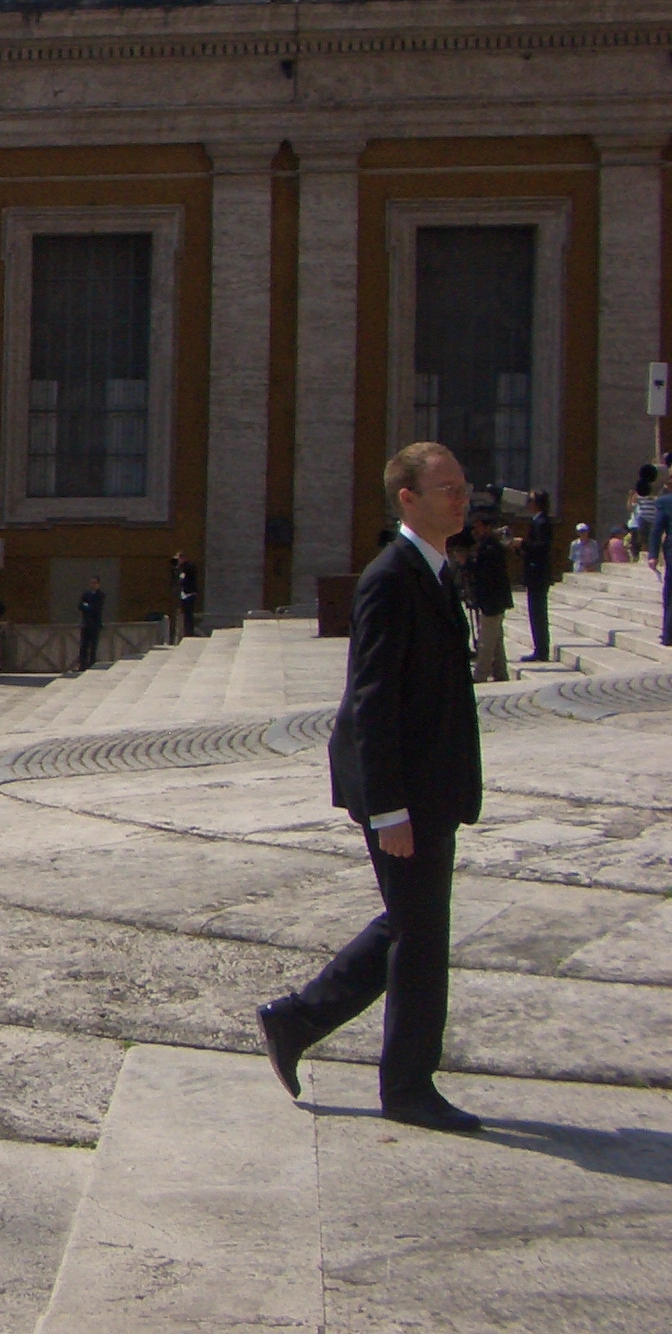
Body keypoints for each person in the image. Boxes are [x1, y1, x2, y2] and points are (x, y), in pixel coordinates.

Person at [258, 441, 486, 1132]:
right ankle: (407, 1087)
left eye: (464, 486)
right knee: (420, 940)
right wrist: (389, 809)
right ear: (408, 499)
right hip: (403, 793)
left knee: (409, 923)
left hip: (429, 786)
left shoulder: (436, 571)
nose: (463, 497)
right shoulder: (391, 579)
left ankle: (296, 1020)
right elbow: (373, 699)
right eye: (448, 488)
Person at [463, 512, 513, 684]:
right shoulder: (488, 545)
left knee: (486, 640)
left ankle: (480, 674)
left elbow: (484, 573)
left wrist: (468, 563)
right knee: (496, 638)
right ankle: (500, 671)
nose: (475, 530)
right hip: (493, 599)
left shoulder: (489, 547)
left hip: (492, 599)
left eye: (478, 526)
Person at [519, 490, 554, 663]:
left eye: (530, 500)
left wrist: (523, 543)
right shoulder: (537, 521)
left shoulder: (542, 522)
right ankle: (539, 647)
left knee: (538, 613)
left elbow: (541, 547)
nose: (528, 503)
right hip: (534, 572)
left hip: (538, 573)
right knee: (535, 612)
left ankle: (541, 649)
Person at [77, 577, 107, 672]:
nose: (92, 585)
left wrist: (87, 606)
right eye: (91, 583)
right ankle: (82, 665)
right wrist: (88, 606)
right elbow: (80, 605)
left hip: (95, 624)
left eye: (94, 583)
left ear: (98, 584)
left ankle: (92, 665)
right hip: (86, 623)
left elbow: (96, 608)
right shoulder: (86, 594)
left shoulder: (101, 595)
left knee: (93, 646)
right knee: (83, 646)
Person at [172, 553, 201, 639]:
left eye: (179, 559)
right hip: (184, 594)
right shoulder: (180, 569)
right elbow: (178, 579)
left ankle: (189, 631)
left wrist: (180, 567)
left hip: (190, 593)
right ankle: (186, 631)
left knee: (189, 613)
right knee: (184, 613)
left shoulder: (189, 566)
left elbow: (188, 574)